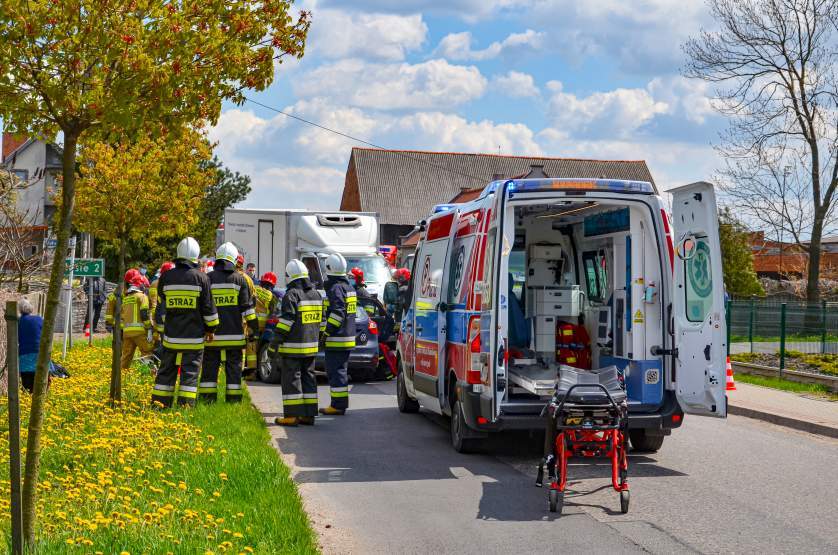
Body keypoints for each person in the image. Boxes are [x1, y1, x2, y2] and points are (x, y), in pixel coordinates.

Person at [152, 237, 219, 408]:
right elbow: (209, 310)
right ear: (195, 257)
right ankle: (186, 406)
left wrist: (163, 330)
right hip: (194, 338)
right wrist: (211, 329)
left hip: (171, 337)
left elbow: (162, 304)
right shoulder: (202, 278)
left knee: (166, 371)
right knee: (189, 373)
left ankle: (160, 404)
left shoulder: (166, 277)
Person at [200, 243, 258, 403]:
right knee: (233, 371)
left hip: (212, 338)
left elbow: (203, 308)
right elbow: (248, 310)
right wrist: (254, 331)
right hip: (235, 338)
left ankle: (207, 401)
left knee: (209, 370)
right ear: (234, 259)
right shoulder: (240, 280)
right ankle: (233, 402)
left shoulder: (207, 279)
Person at [270, 259, 323, 426]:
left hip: (293, 348)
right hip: (311, 348)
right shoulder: (316, 294)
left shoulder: (291, 295)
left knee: (292, 379)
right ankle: (308, 415)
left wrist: (275, 342)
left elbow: (286, 322)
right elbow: (322, 323)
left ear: (290, 276)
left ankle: (292, 416)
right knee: (309, 378)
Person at [320, 253, 356, 415]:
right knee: (340, 370)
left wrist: (326, 333)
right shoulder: (349, 287)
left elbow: (337, 313)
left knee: (336, 372)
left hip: (337, 339)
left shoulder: (335, 288)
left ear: (329, 269)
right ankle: (339, 403)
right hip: (347, 338)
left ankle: (338, 405)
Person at [106, 272, 153, 370]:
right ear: (140, 285)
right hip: (140, 332)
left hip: (127, 332)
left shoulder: (127, 298)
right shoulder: (142, 296)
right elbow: (144, 313)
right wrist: (149, 327)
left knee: (126, 356)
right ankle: (148, 373)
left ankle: (121, 375)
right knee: (147, 352)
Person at [254, 272, 280, 374]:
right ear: (273, 284)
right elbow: (273, 310)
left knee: (251, 349)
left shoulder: (255, 289)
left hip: (251, 323)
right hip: (265, 325)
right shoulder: (272, 296)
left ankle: (250, 371)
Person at [236, 253, 258, 373]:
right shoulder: (247, 279)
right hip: (242, 321)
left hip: (222, 322)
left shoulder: (219, 276)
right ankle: (239, 373)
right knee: (240, 349)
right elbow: (252, 300)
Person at [17, 298, 43, 392]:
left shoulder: (18, 321)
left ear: (20, 309)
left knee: (26, 379)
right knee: (38, 377)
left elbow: (17, 338)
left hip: (25, 352)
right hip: (40, 352)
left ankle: (27, 397)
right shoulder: (39, 319)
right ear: (31, 308)